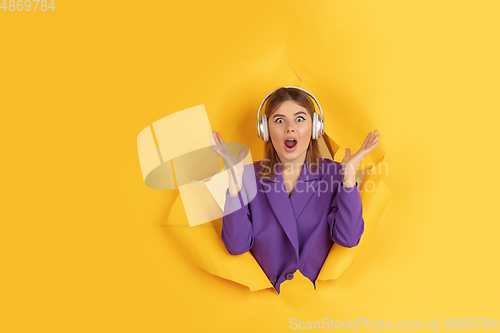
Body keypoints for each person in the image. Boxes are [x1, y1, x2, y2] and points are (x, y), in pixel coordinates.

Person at [209, 87, 380, 294]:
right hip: (264, 306)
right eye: (279, 120)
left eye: (300, 119)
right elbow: (237, 246)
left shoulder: (336, 174)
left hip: (317, 304)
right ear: (265, 130)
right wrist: (234, 181)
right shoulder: (246, 176)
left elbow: (348, 238)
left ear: (315, 127)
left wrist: (349, 177)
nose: (290, 128)